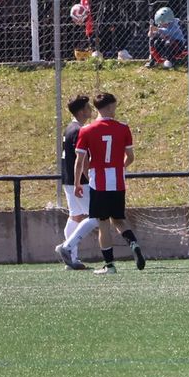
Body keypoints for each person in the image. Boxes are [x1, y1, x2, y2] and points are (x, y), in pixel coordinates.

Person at [63, 91, 147, 274]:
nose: (115, 110)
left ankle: (109, 266)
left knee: (103, 224)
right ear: (109, 107)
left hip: (98, 182)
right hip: (117, 181)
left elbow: (80, 161)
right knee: (119, 220)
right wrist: (120, 168)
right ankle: (133, 243)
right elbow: (130, 157)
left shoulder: (86, 130)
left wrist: (78, 182)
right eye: (114, 107)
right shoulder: (123, 128)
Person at [53, 95, 99, 270]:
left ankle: (71, 258)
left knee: (76, 216)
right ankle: (67, 247)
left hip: (69, 179)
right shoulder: (79, 130)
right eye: (88, 107)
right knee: (96, 217)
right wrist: (89, 178)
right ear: (81, 111)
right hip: (80, 181)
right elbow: (83, 159)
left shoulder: (70, 128)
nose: (90, 110)